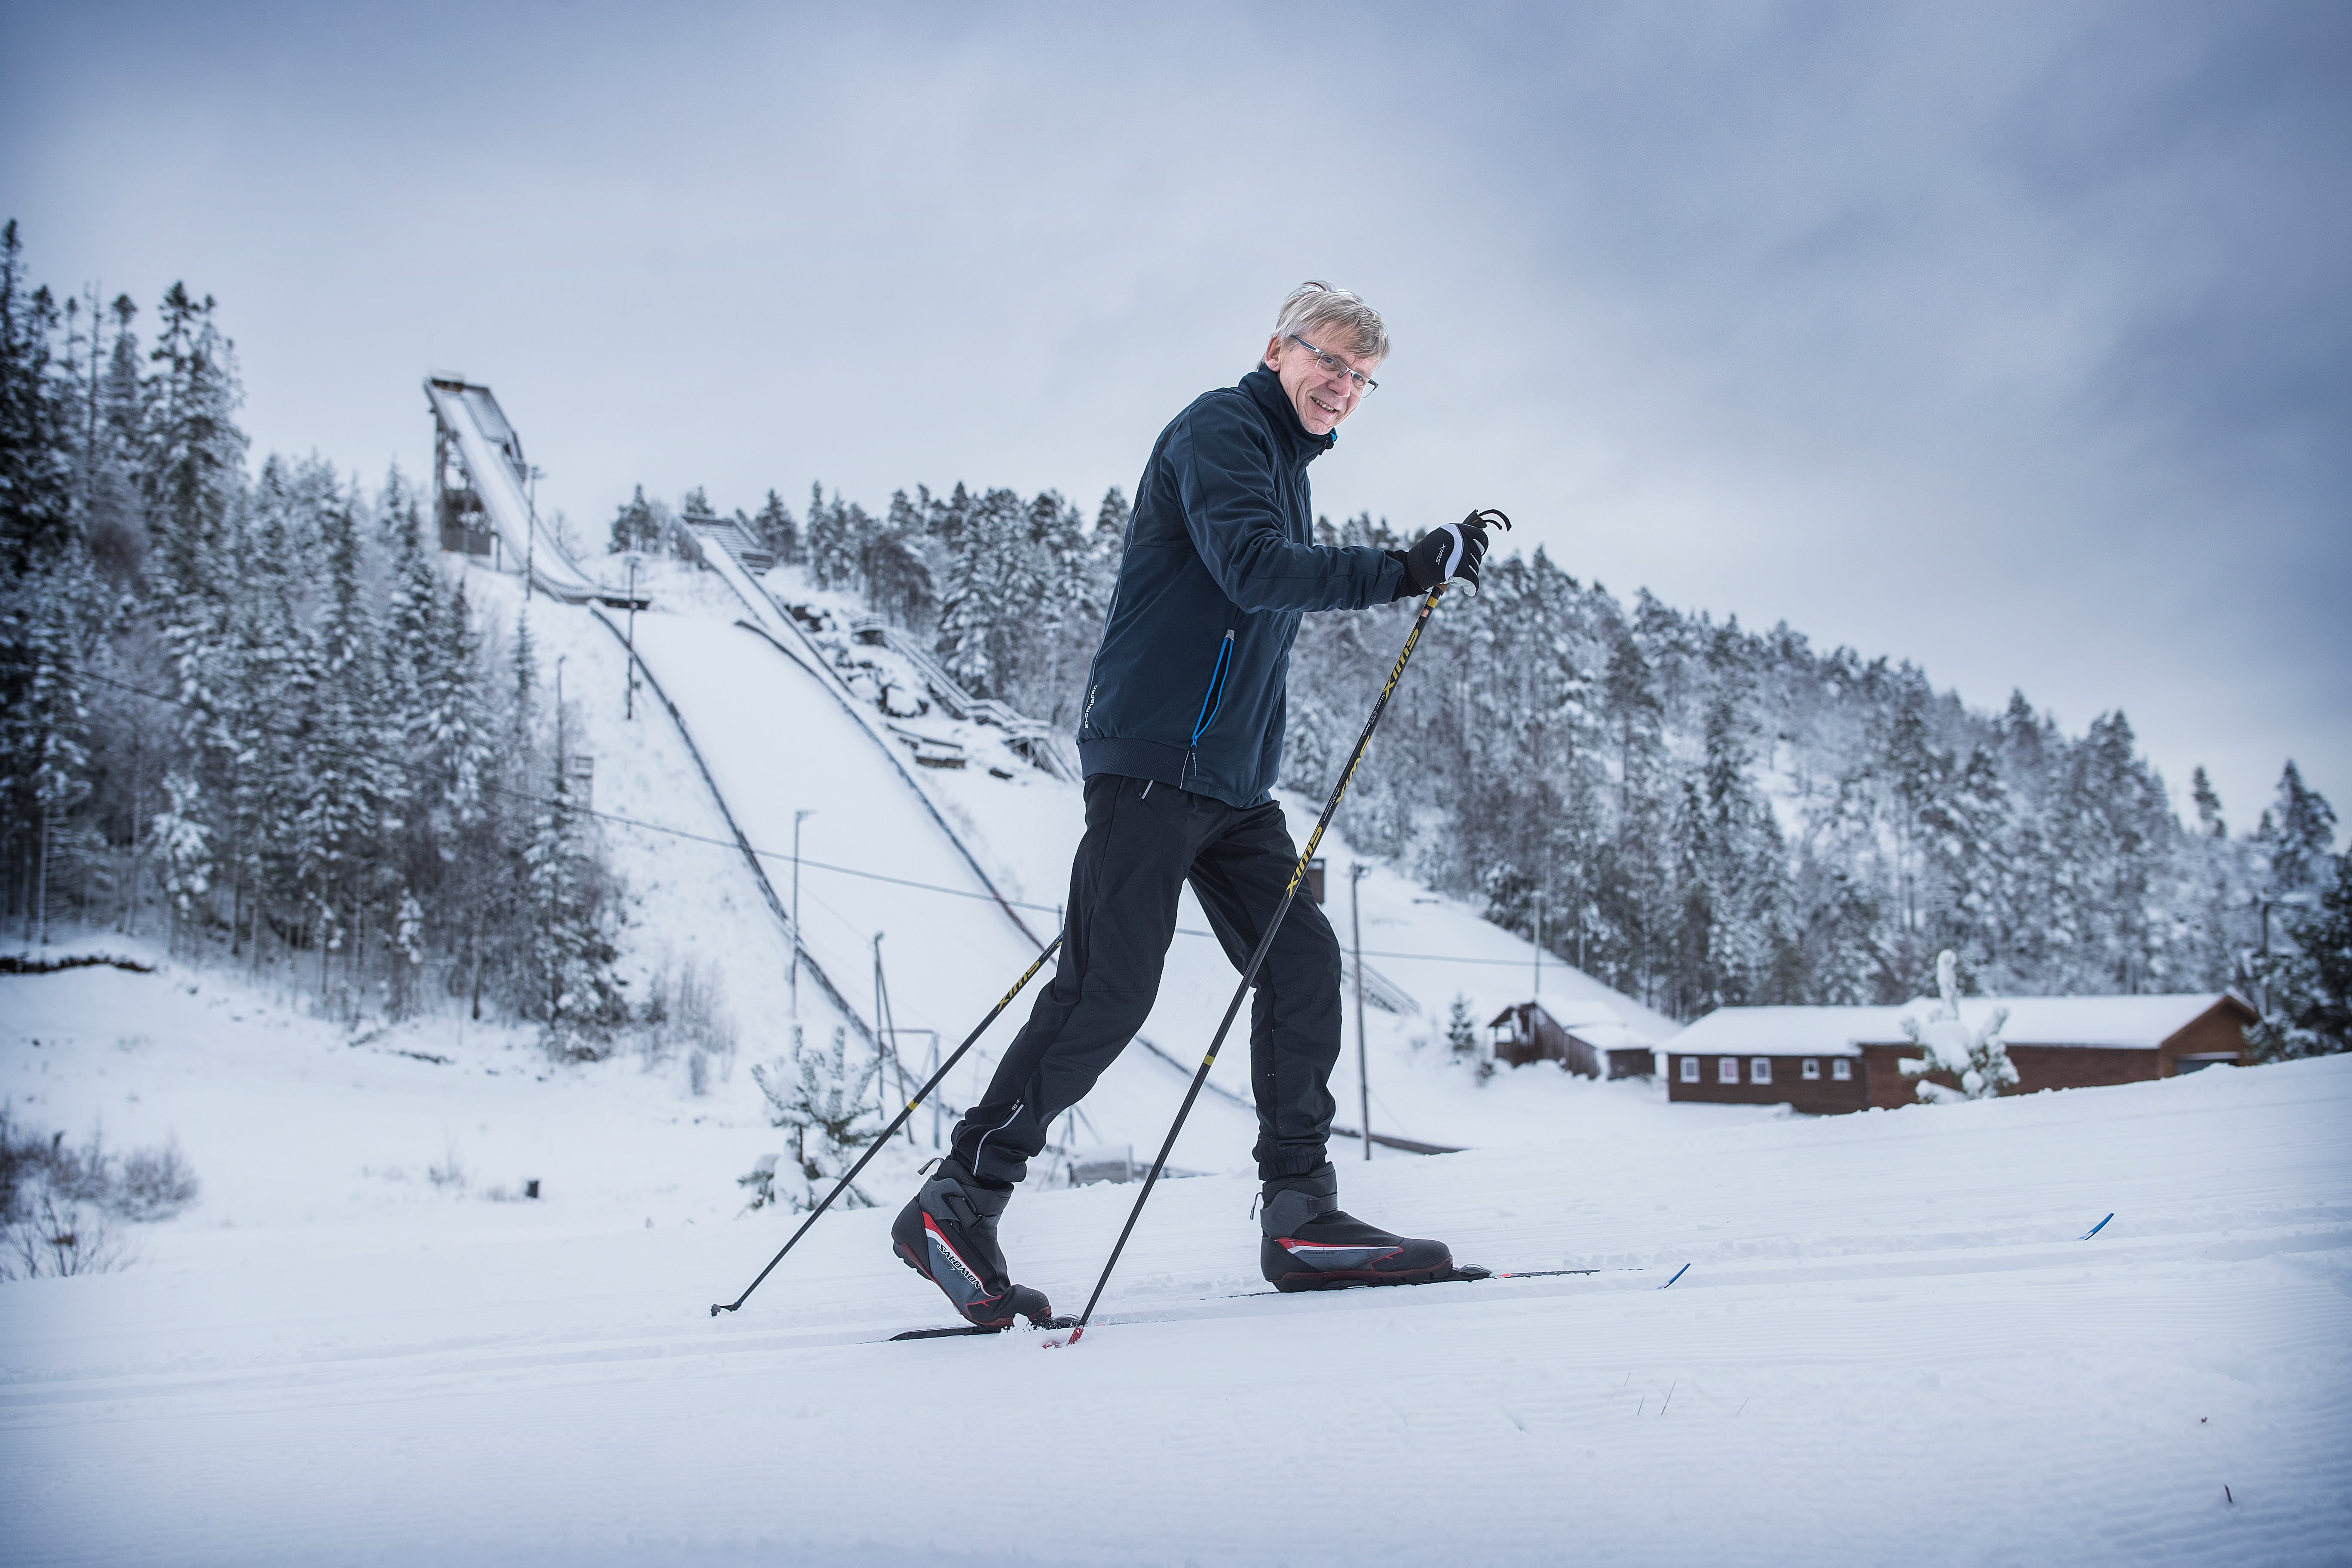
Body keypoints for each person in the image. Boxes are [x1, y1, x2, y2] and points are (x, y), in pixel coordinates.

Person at [891, 282, 1496, 1328]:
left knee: (1300, 961)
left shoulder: (1285, 466)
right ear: (1278, 349)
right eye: (1329, 360)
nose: (1343, 386)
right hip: (1154, 761)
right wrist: (1402, 569)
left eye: (1362, 377)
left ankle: (1301, 1213)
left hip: (1231, 783)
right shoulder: (1221, 429)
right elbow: (1254, 570)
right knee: (1109, 991)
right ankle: (959, 1200)